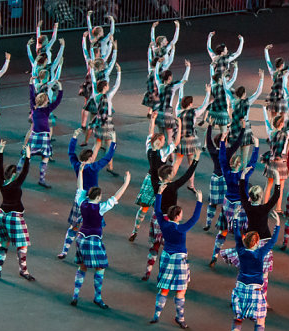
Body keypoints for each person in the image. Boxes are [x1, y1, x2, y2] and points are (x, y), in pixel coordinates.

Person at [71, 169, 131, 309]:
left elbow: (79, 188)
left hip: (81, 238)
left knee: (82, 267)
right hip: (93, 240)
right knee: (101, 267)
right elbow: (116, 197)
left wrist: (80, 172)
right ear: (98, 197)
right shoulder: (100, 208)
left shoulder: (82, 203)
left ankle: (75, 295)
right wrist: (126, 183)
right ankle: (97, 297)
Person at [58, 130, 118, 259]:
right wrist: (113, 142)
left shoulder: (76, 164)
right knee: (94, 228)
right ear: (91, 158)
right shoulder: (93, 167)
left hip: (80, 199)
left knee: (73, 226)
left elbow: (70, 152)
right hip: (92, 201)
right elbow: (107, 157)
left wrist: (74, 137)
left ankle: (64, 250)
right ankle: (89, 253)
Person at [142, 153, 201, 282]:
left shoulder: (156, 184)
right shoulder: (173, 186)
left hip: (156, 218)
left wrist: (152, 153)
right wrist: (195, 160)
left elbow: (152, 170)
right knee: (167, 247)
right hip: (169, 220)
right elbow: (186, 175)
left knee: (154, 246)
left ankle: (148, 270)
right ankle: (164, 273)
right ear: (170, 176)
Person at [150, 188, 204, 328]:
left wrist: (159, 193)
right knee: (181, 290)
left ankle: (156, 315)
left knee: (164, 289)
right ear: (178, 216)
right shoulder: (181, 228)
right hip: (179, 260)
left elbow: (157, 210)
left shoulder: (163, 223)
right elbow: (195, 218)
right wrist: (199, 201)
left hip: (167, 257)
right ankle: (180, 318)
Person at [226, 222, 280, 331]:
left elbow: (237, 236)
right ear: (256, 243)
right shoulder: (260, 253)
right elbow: (272, 241)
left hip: (241, 287)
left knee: (238, 318)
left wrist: (236, 220)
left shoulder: (241, 250)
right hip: (255, 290)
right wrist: (277, 226)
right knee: (260, 320)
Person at [210, 133, 260, 266]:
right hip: (239, 205)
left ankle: (214, 254)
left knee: (223, 231)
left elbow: (221, 159)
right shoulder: (243, 176)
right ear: (239, 164)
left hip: (227, 205)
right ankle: (242, 257)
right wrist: (256, 147)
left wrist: (222, 142)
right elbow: (252, 163)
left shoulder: (227, 172)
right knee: (243, 233)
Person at [0, 137, 36, 281]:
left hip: (1, 215)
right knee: (22, 245)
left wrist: (0, 152)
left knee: (4, 243)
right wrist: (28, 156)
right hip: (14, 216)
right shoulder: (16, 184)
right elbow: (25, 171)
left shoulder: (2, 183)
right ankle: (23, 270)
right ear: (13, 174)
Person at [25, 82, 62, 188]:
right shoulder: (46, 110)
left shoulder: (34, 108)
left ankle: (18, 174)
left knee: (26, 156)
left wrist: (31, 85)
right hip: (44, 136)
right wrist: (60, 89)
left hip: (35, 135)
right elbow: (58, 101)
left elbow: (31, 96)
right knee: (45, 157)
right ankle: (42, 179)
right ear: (46, 101)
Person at [263, 44, 289, 123]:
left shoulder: (273, 72)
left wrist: (266, 50)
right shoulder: (285, 73)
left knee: (272, 116)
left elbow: (268, 62)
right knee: (283, 116)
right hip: (282, 96)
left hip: (273, 96)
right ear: (282, 65)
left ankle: (271, 133)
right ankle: (280, 131)